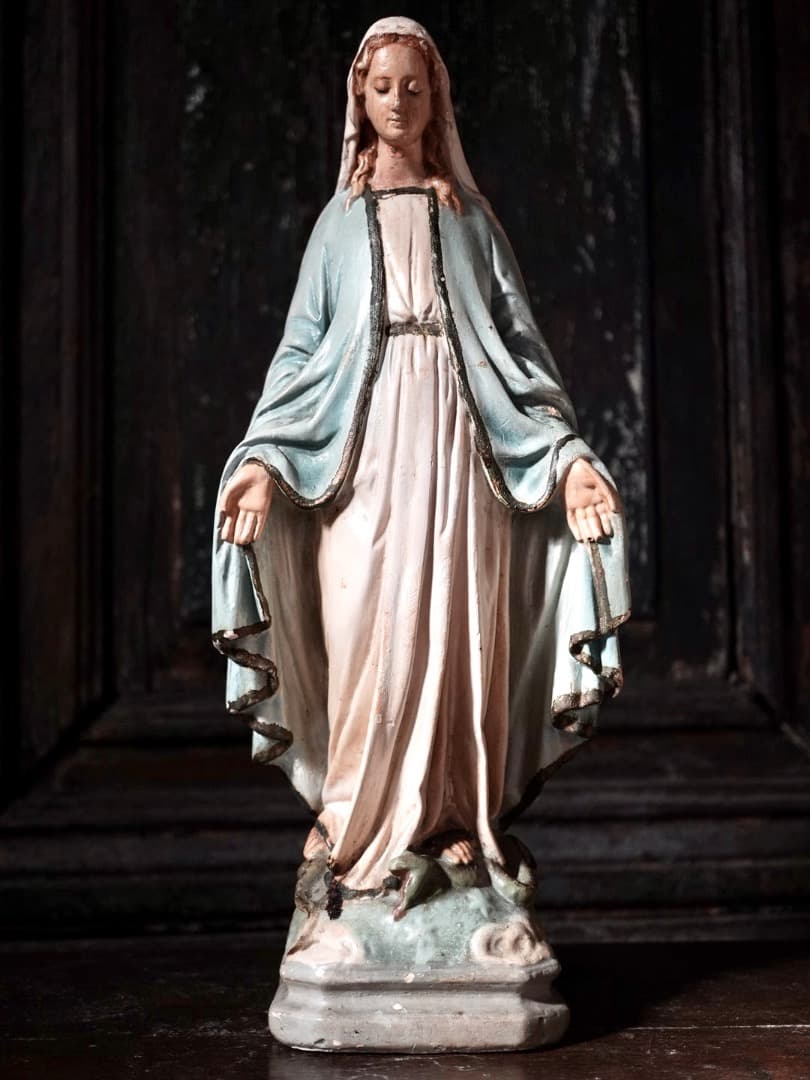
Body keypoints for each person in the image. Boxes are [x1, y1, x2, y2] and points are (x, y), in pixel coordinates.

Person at [212, 17, 630, 897]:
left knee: (456, 630)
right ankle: (352, 820)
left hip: (462, 447)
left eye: (413, 86)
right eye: (382, 88)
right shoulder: (336, 227)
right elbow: (300, 354)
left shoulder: (470, 221)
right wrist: (261, 457)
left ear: (436, 97)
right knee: (366, 629)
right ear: (359, 101)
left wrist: (564, 456)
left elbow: (518, 348)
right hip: (363, 454)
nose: (398, 102)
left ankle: (450, 818)